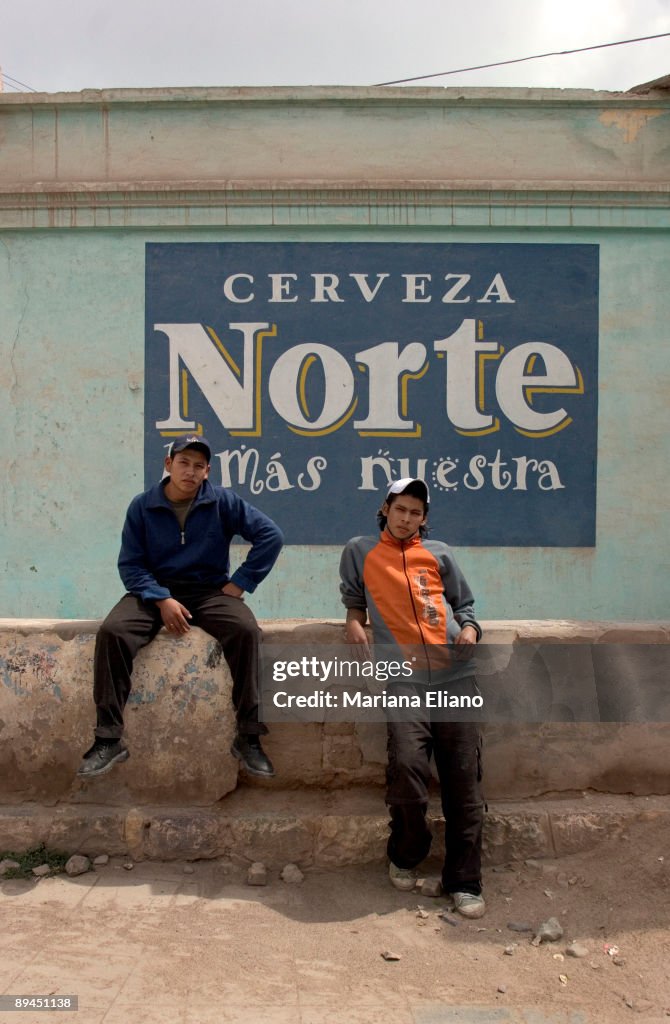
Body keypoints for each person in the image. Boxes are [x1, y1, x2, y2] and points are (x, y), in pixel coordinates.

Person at [77, 434, 283, 780]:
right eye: (183, 463)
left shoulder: (222, 502)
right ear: (168, 464)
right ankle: (108, 739)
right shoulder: (142, 506)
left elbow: (270, 535)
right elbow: (131, 564)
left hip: (208, 590)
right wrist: (160, 598)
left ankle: (248, 737)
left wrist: (240, 582)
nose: (190, 471)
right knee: (113, 632)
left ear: (207, 471)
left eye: (198, 466)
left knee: (246, 631)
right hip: (153, 592)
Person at [339, 478, 485, 918]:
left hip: (456, 675)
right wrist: (353, 621)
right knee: (407, 766)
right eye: (400, 509)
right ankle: (407, 850)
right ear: (385, 508)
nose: (407, 518)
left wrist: (472, 629)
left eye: (415, 512)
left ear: (424, 517)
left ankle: (465, 881)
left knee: (464, 781)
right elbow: (353, 600)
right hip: (402, 676)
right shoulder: (360, 550)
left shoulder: (440, 553)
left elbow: (465, 607)